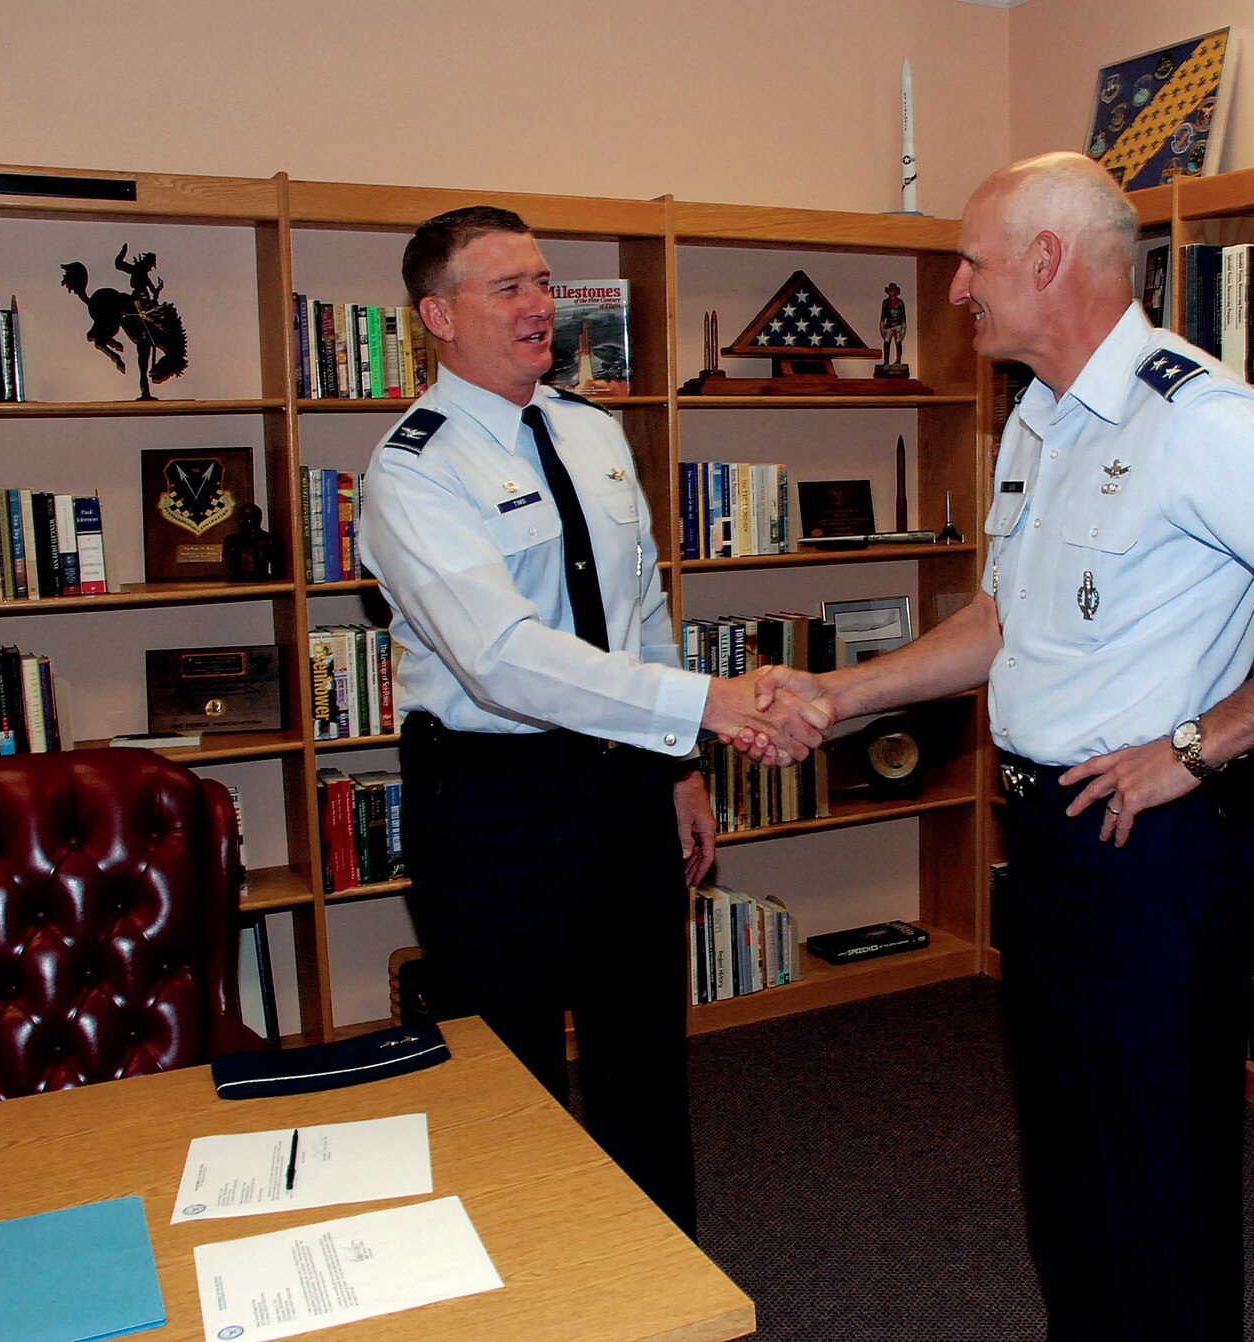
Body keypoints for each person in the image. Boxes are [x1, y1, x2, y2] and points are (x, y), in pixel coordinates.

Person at [753, 153, 1254, 1338]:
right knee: (1068, 1156)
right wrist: (839, 689)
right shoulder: (1036, 415)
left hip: (1150, 848)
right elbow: (1005, 617)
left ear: (1046, 259)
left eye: (972, 260)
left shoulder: (1198, 416)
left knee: (1156, 1172)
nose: (956, 287)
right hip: (1050, 834)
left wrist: (1199, 744)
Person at [359, 206, 825, 1239]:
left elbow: (639, 612)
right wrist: (708, 704)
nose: (540, 306)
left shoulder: (592, 428)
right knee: (509, 1079)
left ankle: (666, 1280)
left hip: (623, 786)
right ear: (436, 314)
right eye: (507, 288)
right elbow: (502, 660)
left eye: (543, 281)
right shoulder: (413, 469)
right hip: (496, 807)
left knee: (642, 1059)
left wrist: (680, 768)